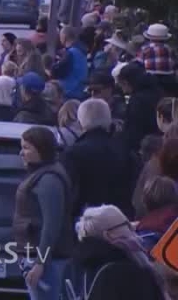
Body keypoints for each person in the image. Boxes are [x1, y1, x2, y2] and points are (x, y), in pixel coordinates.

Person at [13, 127, 74, 300]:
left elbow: (52, 224)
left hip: (47, 261)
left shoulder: (49, 180)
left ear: (41, 149)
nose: (21, 153)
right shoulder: (41, 174)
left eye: (26, 148)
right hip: (37, 256)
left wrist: (41, 262)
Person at [67, 205, 166, 300]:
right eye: (126, 224)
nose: (133, 227)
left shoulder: (83, 268)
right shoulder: (126, 274)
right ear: (109, 235)